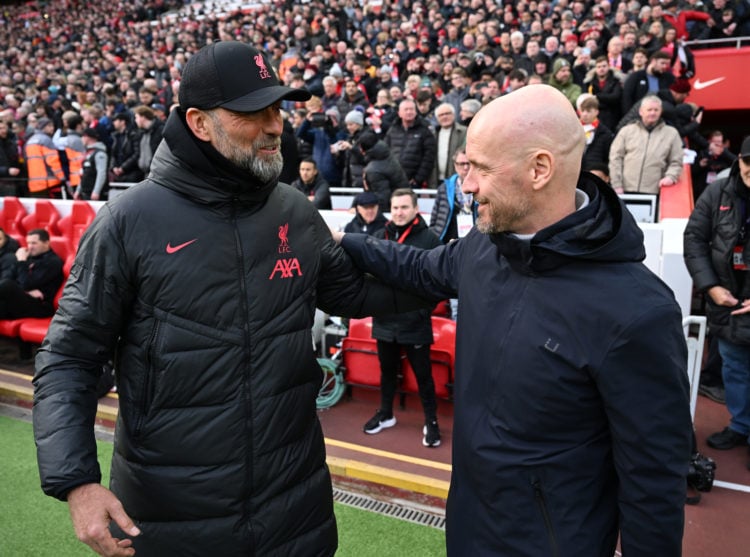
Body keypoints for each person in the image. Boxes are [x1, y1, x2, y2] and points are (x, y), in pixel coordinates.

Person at [32, 41, 428, 557]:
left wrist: (457, 269)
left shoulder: (293, 209)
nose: (274, 125)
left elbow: (352, 291)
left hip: (296, 508)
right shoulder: (127, 221)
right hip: (171, 514)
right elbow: (68, 358)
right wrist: (77, 482)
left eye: (277, 108)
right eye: (253, 112)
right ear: (198, 123)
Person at [335, 85, 691, 555]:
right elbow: (420, 269)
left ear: (539, 169)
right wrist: (344, 240)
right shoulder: (485, 247)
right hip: (467, 525)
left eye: (480, 167)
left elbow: (653, 484)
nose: (467, 184)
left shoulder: (639, 311)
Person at [684, 137, 750, 460]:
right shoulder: (717, 192)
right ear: (739, 160)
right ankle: (741, 426)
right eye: (749, 161)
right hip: (727, 302)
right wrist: (709, 287)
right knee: (734, 368)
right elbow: (694, 237)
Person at [364, 188, 443, 447]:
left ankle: (431, 421)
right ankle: (386, 413)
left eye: (404, 207)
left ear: (416, 209)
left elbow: (439, 282)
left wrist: (421, 310)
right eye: (395, 207)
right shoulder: (379, 236)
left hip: (415, 323)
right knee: (387, 372)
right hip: (385, 320)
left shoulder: (430, 239)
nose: (399, 212)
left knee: (423, 376)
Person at [609, 95, 684, 195]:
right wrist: (616, 184)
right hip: (624, 190)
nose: (652, 113)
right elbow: (615, 158)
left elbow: (677, 161)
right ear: (641, 111)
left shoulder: (672, 133)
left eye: (656, 110)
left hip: (655, 191)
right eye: (649, 110)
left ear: (661, 111)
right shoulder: (626, 131)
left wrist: (670, 177)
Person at [0, 228, 63, 319]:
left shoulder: (53, 262)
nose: (30, 247)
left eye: (34, 243)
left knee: (7, 285)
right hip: (23, 300)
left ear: (46, 243)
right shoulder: (29, 257)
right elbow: (9, 276)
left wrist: (21, 261)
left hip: (40, 306)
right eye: (28, 243)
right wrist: (26, 291)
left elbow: (25, 284)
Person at [384, 98, 436, 189]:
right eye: (406, 109)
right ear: (399, 113)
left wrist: (418, 179)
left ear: (416, 112)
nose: (409, 112)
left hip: (413, 182)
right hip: (393, 179)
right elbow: (385, 152)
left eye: (411, 109)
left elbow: (429, 157)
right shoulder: (392, 130)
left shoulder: (425, 130)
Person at [430, 148, 473, 244]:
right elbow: (434, 218)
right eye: (462, 164)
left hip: (474, 240)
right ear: (455, 165)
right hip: (447, 240)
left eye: (469, 163)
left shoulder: (481, 187)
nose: (466, 167)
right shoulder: (444, 187)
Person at [359, 130, 409, 213]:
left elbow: (382, 198)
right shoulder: (386, 154)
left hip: (393, 211)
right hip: (403, 202)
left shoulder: (373, 170)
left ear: (362, 149)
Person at [25, 117, 67, 198]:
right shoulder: (46, 140)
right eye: (49, 126)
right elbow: (53, 161)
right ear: (43, 127)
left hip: (34, 184)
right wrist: (62, 177)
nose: (52, 128)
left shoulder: (29, 141)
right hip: (49, 183)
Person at [109, 112, 144, 184]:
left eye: (115, 120)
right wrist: (114, 167)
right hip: (118, 174)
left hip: (132, 173)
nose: (113, 123)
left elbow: (137, 153)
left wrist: (123, 168)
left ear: (122, 122)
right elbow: (113, 155)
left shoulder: (133, 135)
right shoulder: (115, 136)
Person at [76, 128, 109, 201]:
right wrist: (78, 190)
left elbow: (101, 173)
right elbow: (83, 173)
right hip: (85, 192)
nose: (81, 139)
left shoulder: (99, 153)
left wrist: (96, 191)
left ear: (87, 137)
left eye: (83, 136)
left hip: (93, 194)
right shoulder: (88, 153)